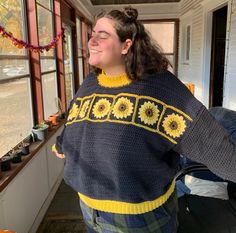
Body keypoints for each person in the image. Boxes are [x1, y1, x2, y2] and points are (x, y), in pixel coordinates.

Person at [52, 6, 236, 233]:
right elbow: (75, 116)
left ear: (126, 45)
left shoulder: (160, 88)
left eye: (103, 35)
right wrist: (62, 143)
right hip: (90, 212)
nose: (92, 41)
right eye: (92, 35)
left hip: (139, 220)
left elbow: (211, 143)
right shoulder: (91, 82)